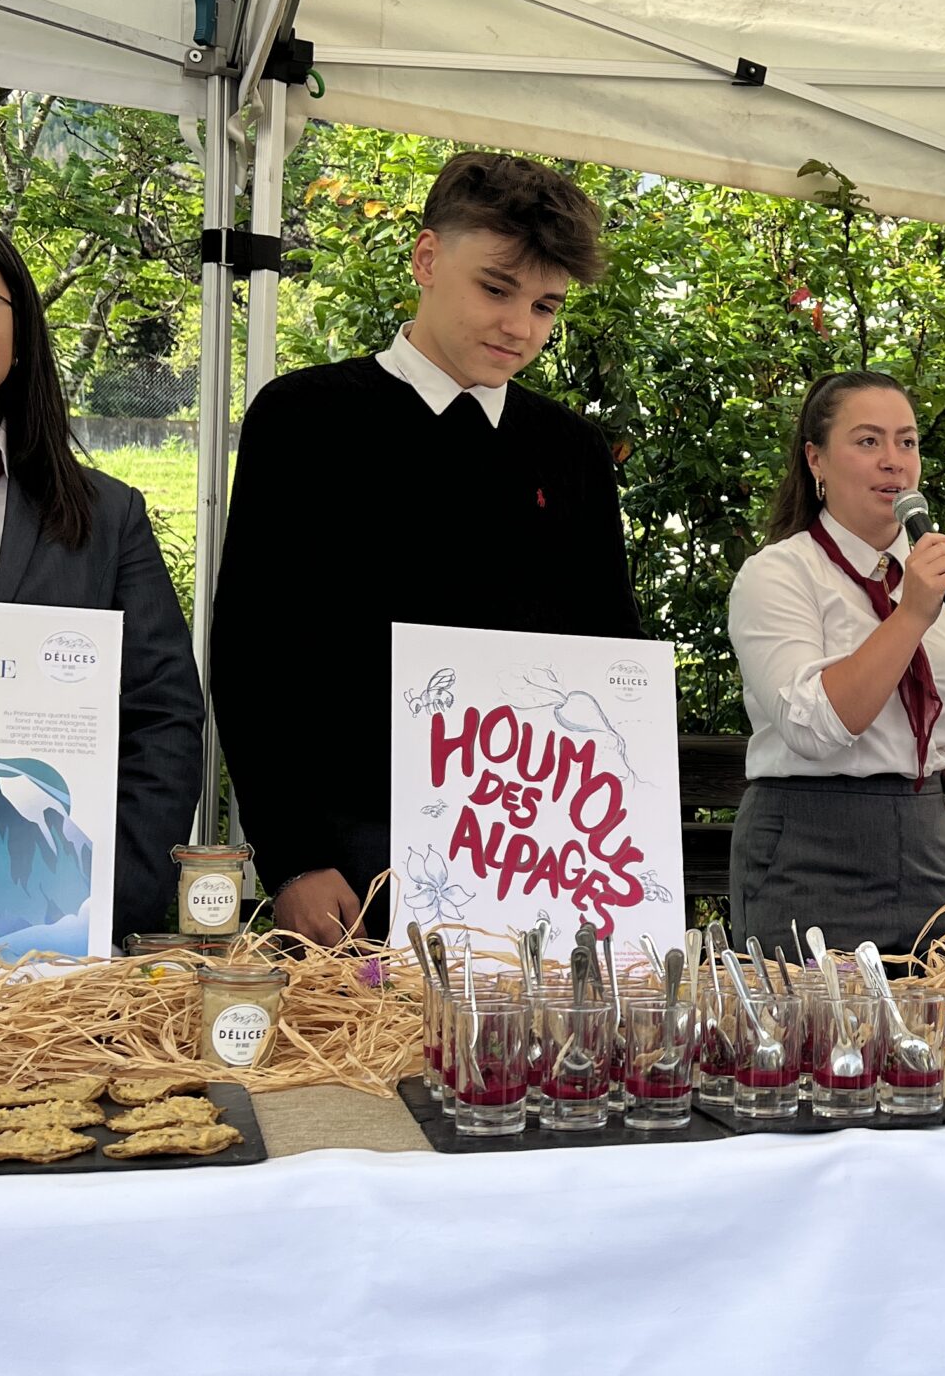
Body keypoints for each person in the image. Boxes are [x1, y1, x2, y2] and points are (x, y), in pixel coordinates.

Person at [211, 152, 640, 942]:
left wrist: (623, 846)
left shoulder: (572, 450)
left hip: (540, 852)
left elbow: (611, 653)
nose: (520, 327)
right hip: (351, 859)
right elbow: (251, 651)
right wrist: (294, 859)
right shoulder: (306, 418)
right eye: (496, 289)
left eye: (545, 305)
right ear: (427, 258)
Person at [0, 194, 203, 945]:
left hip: (49, 935)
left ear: (21, 325)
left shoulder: (106, 519)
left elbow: (162, 720)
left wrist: (107, 900)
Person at [726, 369, 945, 957]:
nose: (894, 461)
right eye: (868, 441)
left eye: (907, 442)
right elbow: (817, 727)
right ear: (816, 459)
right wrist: (911, 614)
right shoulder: (778, 574)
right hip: (808, 845)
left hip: (926, 842)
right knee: (810, 1019)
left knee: (940, 1017)